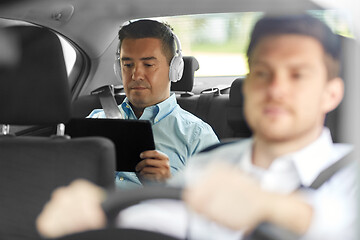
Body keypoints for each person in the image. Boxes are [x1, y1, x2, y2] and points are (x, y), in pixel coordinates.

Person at [36, 14, 358, 240]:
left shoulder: (350, 173)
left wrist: (278, 211)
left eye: (298, 75)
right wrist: (94, 213)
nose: (275, 89)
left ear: (332, 93)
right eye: (261, 73)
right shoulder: (214, 162)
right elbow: (170, 222)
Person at [88, 19, 219, 188]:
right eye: (127, 65)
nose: (136, 75)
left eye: (148, 64)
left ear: (174, 69)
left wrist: (169, 185)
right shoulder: (96, 121)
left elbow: (214, 206)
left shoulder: (197, 136)